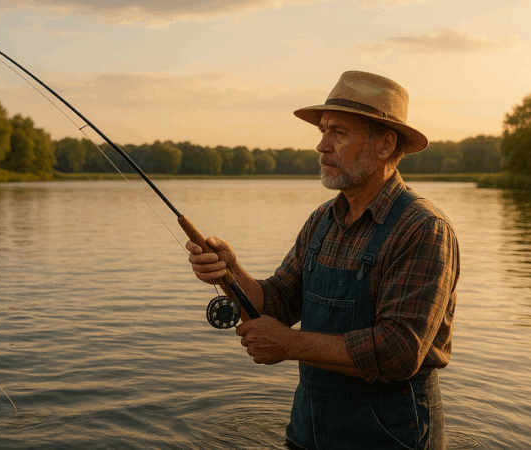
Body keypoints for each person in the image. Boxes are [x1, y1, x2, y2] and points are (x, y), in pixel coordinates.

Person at [186, 71, 459, 450]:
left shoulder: (423, 227)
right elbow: (278, 303)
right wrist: (231, 275)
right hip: (307, 433)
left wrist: (290, 344)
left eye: (338, 132)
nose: (322, 145)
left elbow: (399, 351)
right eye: (322, 131)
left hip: (393, 439)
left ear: (385, 144)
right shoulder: (321, 220)